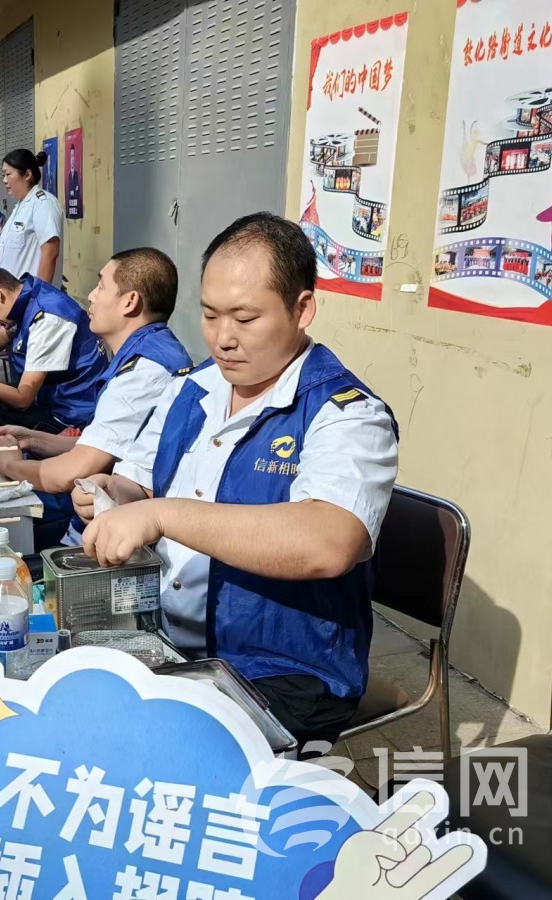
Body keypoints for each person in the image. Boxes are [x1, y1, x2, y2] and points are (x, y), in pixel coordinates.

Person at [72, 213, 398, 751]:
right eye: (210, 315)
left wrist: (160, 515)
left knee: (141, 750)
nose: (223, 339)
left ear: (302, 309)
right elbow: (140, 483)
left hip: (282, 669)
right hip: (169, 639)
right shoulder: (192, 388)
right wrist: (112, 494)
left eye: (245, 318)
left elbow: (329, 541)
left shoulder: (346, 415)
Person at [0, 249, 191, 546]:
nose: (91, 296)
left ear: (129, 302)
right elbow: (108, 446)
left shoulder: (144, 372)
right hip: (103, 520)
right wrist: (30, 439)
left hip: (109, 535)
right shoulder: (147, 352)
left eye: (101, 286)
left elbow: (72, 472)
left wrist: (9, 466)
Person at [0, 266, 105, 433]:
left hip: (68, 416)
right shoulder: (27, 298)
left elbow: (22, 399)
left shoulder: (47, 319)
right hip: (45, 400)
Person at [0, 149, 64, 288]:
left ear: (27, 174)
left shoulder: (43, 203)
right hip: (12, 294)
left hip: (30, 295)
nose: (4, 180)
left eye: (8, 174)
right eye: (3, 175)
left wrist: (39, 294)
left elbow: (51, 251)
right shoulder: (20, 206)